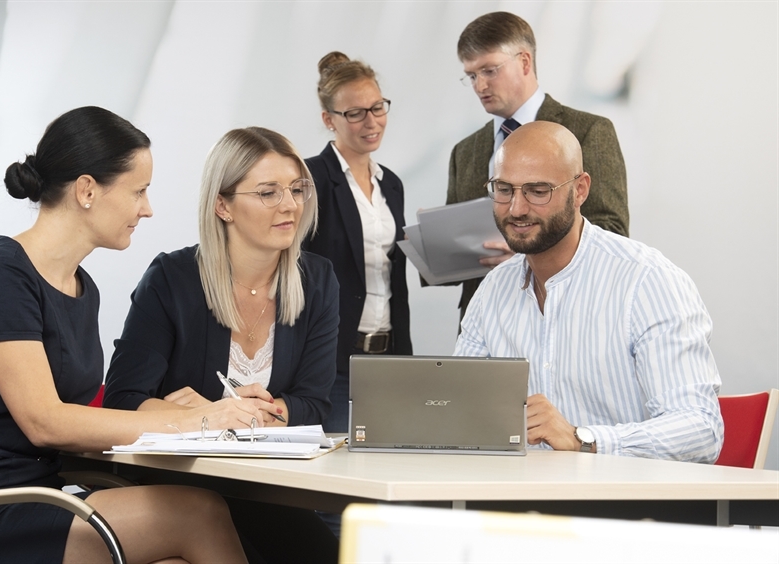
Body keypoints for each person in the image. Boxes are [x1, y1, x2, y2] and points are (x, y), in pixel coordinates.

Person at [0, 106, 247, 563]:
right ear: (86, 190)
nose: (148, 208)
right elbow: (46, 422)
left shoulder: (83, 288)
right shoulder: (0, 277)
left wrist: (167, 413)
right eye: (138, 190)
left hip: (45, 495)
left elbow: (79, 409)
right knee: (200, 512)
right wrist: (192, 423)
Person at [103, 126, 340, 562]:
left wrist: (252, 412)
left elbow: (313, 403)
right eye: (268, 192)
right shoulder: (172, 280)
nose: (290, 205)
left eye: (296, 189)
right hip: (178, 487)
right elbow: (123, 400)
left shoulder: (318, 280)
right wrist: (206, 414)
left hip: (266, 488)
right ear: (223, 205)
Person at [454, 121, 723, 463]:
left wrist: (583, 439)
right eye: (504, 189)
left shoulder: (646, 281)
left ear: (580, 190)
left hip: (622, 508)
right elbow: (459, 408)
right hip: (517, 502)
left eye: (538, 191)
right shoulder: (493, 289)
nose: (517, 208)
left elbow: (701, 431)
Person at [446, 11, 630, 322]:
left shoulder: (588, 131)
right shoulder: (464, 151)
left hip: (567, 314)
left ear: (525, 62)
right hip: (485, 320)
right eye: (472, 75)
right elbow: (459, 247)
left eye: (489, 70)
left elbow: (613, 233)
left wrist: (525, 253)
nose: (480, 85)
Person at [303, 51, 412, 433]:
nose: (372, 122)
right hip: (333, 362)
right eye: (355, 113)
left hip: (388, 357)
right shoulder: (309, 179)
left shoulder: (391, 183)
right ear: (328, 119)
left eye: (377, 107)